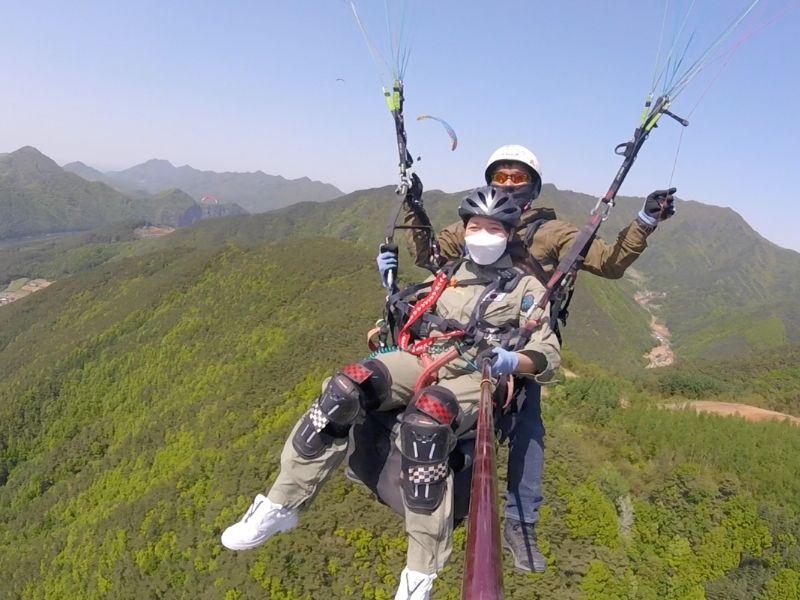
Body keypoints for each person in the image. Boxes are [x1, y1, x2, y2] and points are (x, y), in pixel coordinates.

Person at [221, 186, 561, 600]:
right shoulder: (450, 272)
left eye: (493, 228)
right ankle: (282, 503)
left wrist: (514, 361)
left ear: (508, 234)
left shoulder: (525, 287)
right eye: (475, 227)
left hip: (476, 374)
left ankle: (421, 570)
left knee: (427, 422)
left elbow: (546, 352)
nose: (483, 236)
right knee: (345, 387)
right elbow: (416, 311)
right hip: (423, 357)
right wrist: (391, 296)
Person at [378, 144, 676, 572]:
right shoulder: (473, 223)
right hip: (465, 336)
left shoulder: (553, 233)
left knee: (529, 427)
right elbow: (432, 259)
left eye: (517, 178)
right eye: (500, 178)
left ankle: (521, 523)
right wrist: (414, 209)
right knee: (406, 389)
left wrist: (645, 220)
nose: (508, 185)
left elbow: (608, 263)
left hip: (520, 340)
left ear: (532, 187)